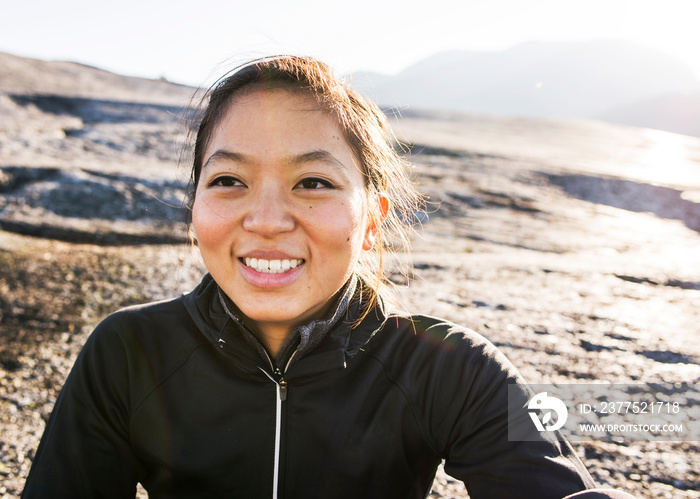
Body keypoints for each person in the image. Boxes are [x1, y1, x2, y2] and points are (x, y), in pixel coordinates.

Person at [21, 55, 635, 499]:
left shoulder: (445, 364)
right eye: (228, 181)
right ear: (194, 210)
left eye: (313, 182)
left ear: (373, 220)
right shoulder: (128, 353)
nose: (265, 220)